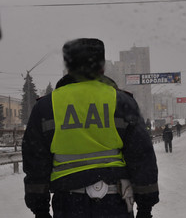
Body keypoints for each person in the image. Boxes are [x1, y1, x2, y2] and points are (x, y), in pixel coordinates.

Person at [22, 38, 159, 218]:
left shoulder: (46, 107)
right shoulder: (122, 102)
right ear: (101, 67)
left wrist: (40, 210)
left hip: (68, 204)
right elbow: (141, 157)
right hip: (115, 203)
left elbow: (35, 161)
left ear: (69, 66)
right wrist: (145, 208)